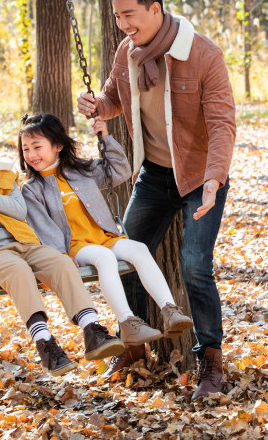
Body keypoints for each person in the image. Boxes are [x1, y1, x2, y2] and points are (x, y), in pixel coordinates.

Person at [76, 0, 236, 401]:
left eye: (130, 15)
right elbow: (113, 99)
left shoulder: (203, 55)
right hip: (154, 176)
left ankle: (211, 362)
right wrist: (96, 106)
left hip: (201, 177)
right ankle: (134, 347)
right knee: (123, 253)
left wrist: (214, 179)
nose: (124, 25)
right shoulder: (126, 53)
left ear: (155, 9)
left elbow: (222, 125)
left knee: (195, 265)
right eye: (118, 17)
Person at [0, 105, 125, 377]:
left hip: (26, 245)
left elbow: (18, 210)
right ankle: (45, 343)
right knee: (19, 271)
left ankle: (92, 330)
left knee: (61, 262)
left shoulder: (5, 177)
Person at [18, 113, 194, 350]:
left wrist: (106, 138)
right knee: (105, 258)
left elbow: (120, 171)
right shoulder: (32, 189)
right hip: (76, 247)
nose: (31, 154)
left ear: (58, 145)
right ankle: (128, 322)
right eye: (26, 148)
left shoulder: (82, 170)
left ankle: (170, 311)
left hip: (105, 236)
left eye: (37, 147)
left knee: (139, 249)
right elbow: (43, 227)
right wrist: (60, 255)